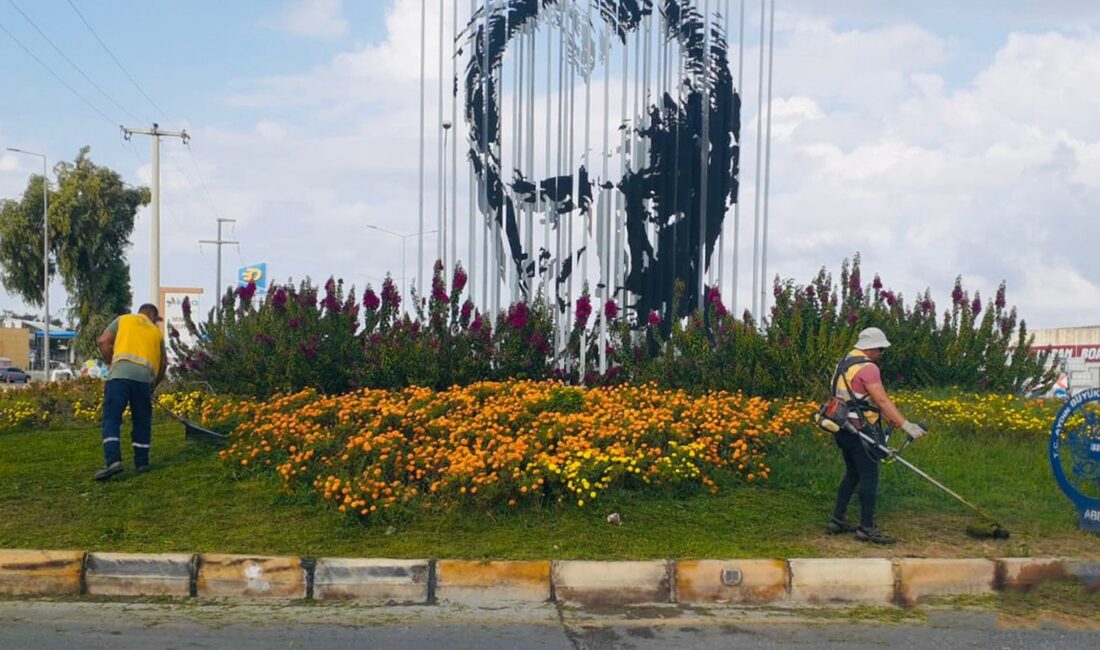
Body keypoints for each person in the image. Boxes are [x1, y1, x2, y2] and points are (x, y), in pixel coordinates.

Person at [826, 327, 926, 544]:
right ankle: (866, 528)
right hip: (861, 431)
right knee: (869, 476)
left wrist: (884, 414)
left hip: (841, 426)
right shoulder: (868, 368)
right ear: (871, 348)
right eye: (880, 349)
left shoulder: (844, 362)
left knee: (853, 473)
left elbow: (854, 395)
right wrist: (905, 424)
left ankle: (837, 520)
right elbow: (881, 400)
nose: (881, 353)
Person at [93, 303, 167, 481]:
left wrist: (111, 362)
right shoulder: (157, 333)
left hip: (119, 376)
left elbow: (103, 341)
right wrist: (152, 386)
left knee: (112, 418)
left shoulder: (123, 320)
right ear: (153, 318)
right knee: (142, 420)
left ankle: (113, 461)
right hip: (143, 380)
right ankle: (142, 462)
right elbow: (164, 364)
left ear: (140, 312)